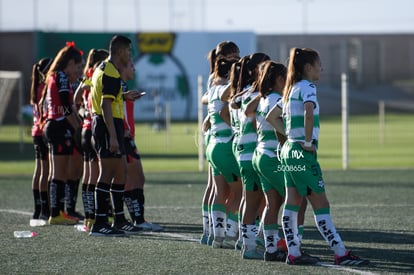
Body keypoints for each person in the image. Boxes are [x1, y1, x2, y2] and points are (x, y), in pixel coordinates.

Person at [266, 47, 370, 266]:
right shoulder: (307, 87)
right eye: (318, 64)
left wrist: (291, 136)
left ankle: (293, 253)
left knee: (292, 202)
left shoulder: (288, 90)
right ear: (308, 67)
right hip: (302, 153)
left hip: (287, 151)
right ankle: (340, 253)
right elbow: (308, 112)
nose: (321, 68)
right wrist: (304, 141)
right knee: (321, 204)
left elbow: (271, 117)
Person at [89, 35, 143, 236]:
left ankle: (119, 220)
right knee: (107, 173)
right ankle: (100, 223)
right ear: (120, 51)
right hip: (107, 125)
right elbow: (104, 105)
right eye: (128, 51)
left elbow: (107, 98)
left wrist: (124, 96)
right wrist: (112, 136)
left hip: (112, 124)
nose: (129, 55)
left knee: (121, 172)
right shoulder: (111, 72)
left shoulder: (104, 67)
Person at [245, 60, 289, 261]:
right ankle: (294, 246)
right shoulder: (275, 100)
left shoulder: (264, 99)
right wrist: (289, 138)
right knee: (297, 200)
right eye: (287, 78)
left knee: (273, 202)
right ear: (279, 79)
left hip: (261, 154)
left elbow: (254, 122)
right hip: (271, 157)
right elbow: (274, 122)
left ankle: (271, 250)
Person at [200, 41, 241, 246]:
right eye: (235, 56)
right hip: (225, 139)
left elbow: (207, 99)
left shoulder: (216, 79)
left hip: (214, 139)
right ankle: (227, 232)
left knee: (218, 189)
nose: (238, 59)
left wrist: (210, 115)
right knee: (233, 190)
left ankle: (212, 233)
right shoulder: (224, 80)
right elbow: (215, 102)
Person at [41, 42, 83, 225]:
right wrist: (78, 129)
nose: (78, 70)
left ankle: (58, 212)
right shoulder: (62, 77)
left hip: (55, 126)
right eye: (78, 65)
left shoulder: (55, 77)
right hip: (58, 127)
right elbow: (65, 107)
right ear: (70, 63)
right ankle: (55, 213)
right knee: (58, 172)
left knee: (60, 172)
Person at [121, 58, 163, 232]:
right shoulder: (118, 85)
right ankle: (136, 220)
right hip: (124, 136)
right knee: (132, 179)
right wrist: (123, 129)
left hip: (127, 136)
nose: (134, 69)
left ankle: (137, 219)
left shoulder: (122, 86)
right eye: (131, 65)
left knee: (135, 178)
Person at [74, 48, 109, 230]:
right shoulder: (99, 74)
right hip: (95, 127)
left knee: (88, 176)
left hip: (85, 128)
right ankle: (99, 216)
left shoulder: (87, 75)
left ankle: (89, 217)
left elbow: (75, 99)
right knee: (99, 176)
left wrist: (82, 117)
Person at [30, 57, 53, 223]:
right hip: (42, 131)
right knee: (45, 171)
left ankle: (38, 208)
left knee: (39, 170)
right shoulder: (44, 87)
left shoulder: (37, 87)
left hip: (36, 131)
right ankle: (44, 209)